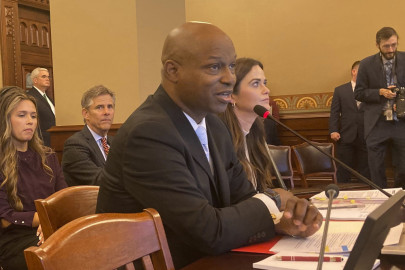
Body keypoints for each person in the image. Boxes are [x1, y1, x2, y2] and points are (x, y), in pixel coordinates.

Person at [96, 22, 322, 269]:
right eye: (215, 67)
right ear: (173, 71)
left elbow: (243, 197)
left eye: (232, 66)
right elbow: (208, 232)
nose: (229, 79)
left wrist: (285, 218)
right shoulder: (149, 133)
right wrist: (274, 200)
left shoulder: (214, 125)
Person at [0, 87, 67, 270]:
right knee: (59, 255)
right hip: (15, 239)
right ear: (5, 120)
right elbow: (5, 218)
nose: (29, 121)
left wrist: (50, 226)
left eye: (33, 116)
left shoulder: (48, 156)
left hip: (52, 229)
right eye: (22, 115)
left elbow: (63, 199)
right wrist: (44, 220)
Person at [218, 57, 293, 202]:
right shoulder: (220, 141)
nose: (266, 90)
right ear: (232, 95)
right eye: (255, 84)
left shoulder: (255, 134)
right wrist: (274, 199)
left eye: (264, 83)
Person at [354, 27, 405, 188]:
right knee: (375, 168)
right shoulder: (367, 64)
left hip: (401, 123)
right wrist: (379, 92)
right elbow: (359, 93)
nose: (391, 50)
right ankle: (381, 202)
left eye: (394, 45)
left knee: (403, 167)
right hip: (376, 124)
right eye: (386, 46)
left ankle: (400, 198)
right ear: (377, 45)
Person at [62, 85, 115, 186]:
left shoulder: (115, 143)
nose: (106, 112)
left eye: (110, 106)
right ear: (86, 113)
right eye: (100, 107)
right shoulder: (75, 145)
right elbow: (99, 180)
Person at [329, 61, 370, 183]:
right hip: (346, 135)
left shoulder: (370, 91)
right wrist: (333, 130)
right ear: (354, 71)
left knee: (365, 169)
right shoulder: (340, 90)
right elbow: (334, 112)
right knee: (344, 168)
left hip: (366, 135)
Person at [27, 67, 55, 147]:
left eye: (48, 76)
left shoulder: (48, 98)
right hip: (40, 141)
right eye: (44, 76)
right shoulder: (31, 96)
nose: (47, 79)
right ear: (35, 80)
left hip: (52, 139)